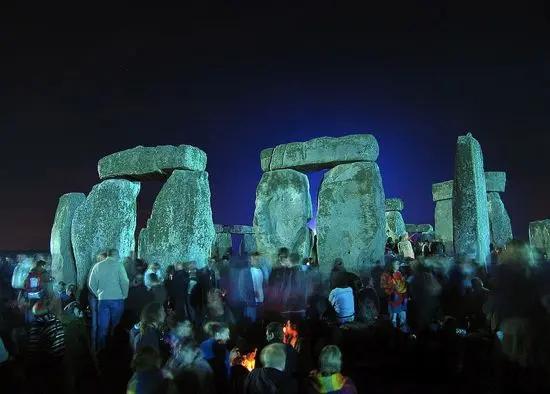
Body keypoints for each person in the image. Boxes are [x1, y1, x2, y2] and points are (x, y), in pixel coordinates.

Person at [88, 248, 130, 351]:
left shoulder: (97, 266)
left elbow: (90, 284)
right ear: (115, 255)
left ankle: (101, 351)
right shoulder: (119, 265)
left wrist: (97, 294)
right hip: (117, 299)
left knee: (102, 328)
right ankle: (115, 349)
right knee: (116, 327)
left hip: (102, 300)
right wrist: (124, 295)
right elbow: (125, 281)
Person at [26, 301, 66, 392]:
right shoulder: (55, 319)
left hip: (50, 358)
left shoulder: (37, 325)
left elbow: (32, 348)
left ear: (35, 315)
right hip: (61, 353)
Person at [200, 321, 231, 392]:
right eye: (226, 334)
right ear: (217, 334)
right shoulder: (209, 347)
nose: (228, 337)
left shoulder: (203, 344)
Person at [380, 259, 408, 330]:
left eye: (398, 264)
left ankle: (399, 324)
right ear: (392, 265)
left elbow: (401, 285)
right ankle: (394, 324)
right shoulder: (387, 274)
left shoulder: (399, 273)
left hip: (399, 296)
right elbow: (384, 286)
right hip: (393, 297)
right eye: (396, 264)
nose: (398, 265)